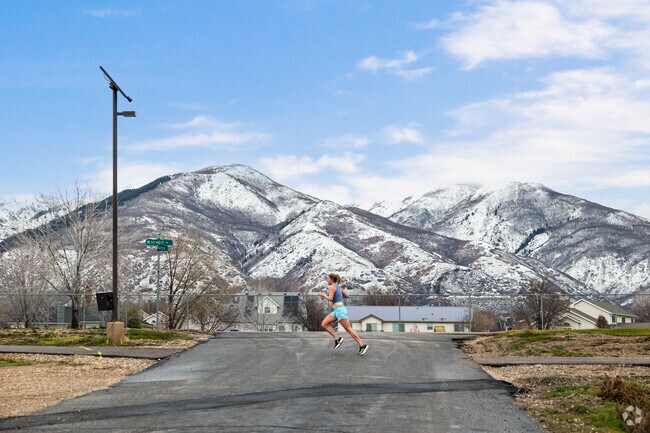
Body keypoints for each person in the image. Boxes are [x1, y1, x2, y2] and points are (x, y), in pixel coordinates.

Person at [320, 273, 368, 355]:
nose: (327, 280)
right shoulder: (338, 287)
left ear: (332, 279)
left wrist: (324, 295)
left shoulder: (332, 287)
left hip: (340, 311)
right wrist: (338, 296)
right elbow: (347, 296)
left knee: (349, 329)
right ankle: (337, 339)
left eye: (327, 278)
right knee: (324, 324)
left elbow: (330, 298)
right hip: (336, 311)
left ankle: (362, 345)